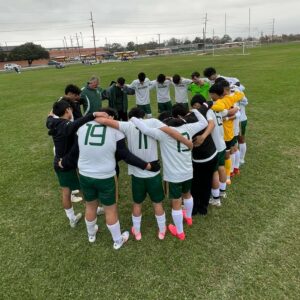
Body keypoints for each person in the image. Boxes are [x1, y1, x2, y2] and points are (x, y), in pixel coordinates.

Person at [96, 107, 194, 241]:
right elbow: (171, 131)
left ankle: (137, 232)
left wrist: (98, 115)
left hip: (137, 174)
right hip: (153, 172)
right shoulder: (154, 121)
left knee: (137, 204)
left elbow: (101, 120)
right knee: (157, 203)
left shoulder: (127, 125)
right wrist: (187, 142)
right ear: (143, 116)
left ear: (131, 117)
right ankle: (162, 230)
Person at [131, 107, 208, 240]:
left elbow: (144, 129)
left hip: (174, 175)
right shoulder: (189, 128)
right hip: (188, 170)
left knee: (176, 202)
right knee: (188, 194)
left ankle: (179, 231)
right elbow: (204, 123)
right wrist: (195, 110)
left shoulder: (163, 133)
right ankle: (188, 218)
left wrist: (133, 118)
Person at [46, 99, 107, 228]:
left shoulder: (52, 122)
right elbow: (76, 124)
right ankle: (73, 217)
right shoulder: (65, 125)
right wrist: (93, 115)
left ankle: (85, 212)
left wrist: (51, 113)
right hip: (65, 163)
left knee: (72, 189)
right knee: (70, 191)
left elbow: (49, 118)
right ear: (67, 110)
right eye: (70, 109)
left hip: (62, 162)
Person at [209, 81, 245, 185]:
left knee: (227, 154)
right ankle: (234, 169)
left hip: (225, 132)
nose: (211, 96)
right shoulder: (232, 97)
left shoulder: (222, 101)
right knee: (233, 149)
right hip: (231, 130)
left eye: (212, 94)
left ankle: (228, 175)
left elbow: (218, 108)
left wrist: (208, 106)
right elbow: (241, 94)